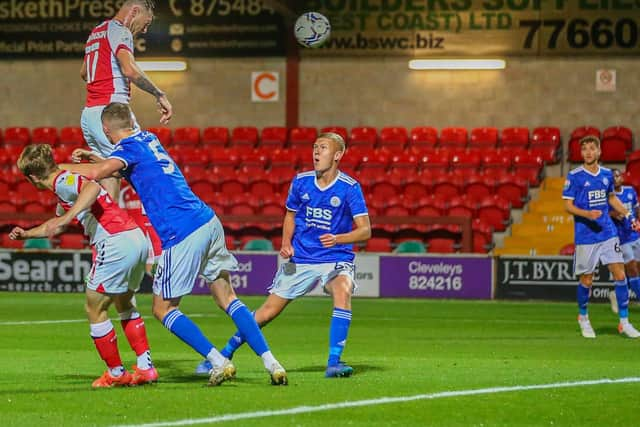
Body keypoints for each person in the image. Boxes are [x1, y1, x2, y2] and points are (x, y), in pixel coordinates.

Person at [52, 102, 287, 386]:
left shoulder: (126, 150)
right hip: (207, 220)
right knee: (228, 298)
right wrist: (95, 157)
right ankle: (272, 363)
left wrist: (56, 169)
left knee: (163, 309)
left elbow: (101, 171)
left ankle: (218, 360)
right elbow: (121, 168)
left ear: (104, 129)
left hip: (182, 231)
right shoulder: (149, 138)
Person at [198, 132, 371, 378]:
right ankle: (225, 353)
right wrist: (286, 242)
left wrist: (339, 238)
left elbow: (365, 230)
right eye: (314, 147)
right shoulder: (300, 182)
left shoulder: (349, 188)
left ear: (338, 155)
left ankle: (334, 362)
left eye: (323, 148)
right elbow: (290, 215)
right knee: (268, 312)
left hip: (335, 257)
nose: (316, 152)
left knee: (342, 290)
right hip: (301, 258)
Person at [10, 144, 157, 388]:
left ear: (33, 177)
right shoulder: (63, 188)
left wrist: (69, 216)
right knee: (124, 303)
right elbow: (54, 224)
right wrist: (26, 234)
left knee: (94, 308)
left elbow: (91, 187)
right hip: (135, 237)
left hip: (115, 241)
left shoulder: (63, 181)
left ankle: (116, 372)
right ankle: (145, 367)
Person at [81, 0, 172, 200]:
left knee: (109, 176)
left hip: (89, 115)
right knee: (147, 165)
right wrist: (159, 94)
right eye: (146, 23)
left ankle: (107, 230)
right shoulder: (121, 30)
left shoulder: (96, 32)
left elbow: (84, 72)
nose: (145, 30)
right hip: (112, 113)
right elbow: (129, 70)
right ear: (135, 11)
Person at [562, 136, 640, 338]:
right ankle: (583, 317)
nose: (588, 152)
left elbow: (611, 198)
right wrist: (587, 214)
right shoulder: (574, 176)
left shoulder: (606, 175)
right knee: (587, 280)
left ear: (599, 152)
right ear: (582, 154)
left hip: (608, 233)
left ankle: (624, 322)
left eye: (592, 149)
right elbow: (567, 205)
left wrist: (630, 216)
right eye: (585, 149)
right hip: (586, 236)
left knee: (620, 274)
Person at [608, 169, 640, 312]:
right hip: (622, 238)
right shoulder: (609, 197)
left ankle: (617, 294)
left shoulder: (630, 191)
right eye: (613, 177)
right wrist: (612, 214)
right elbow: (604, 215)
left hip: (635, 235)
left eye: (618, 175)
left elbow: (637, 209)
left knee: (637, 269)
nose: (616, 178)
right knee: (632, 269)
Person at [119, 179, 162, 276]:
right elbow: (121, 214)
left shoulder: (148, 190)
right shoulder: (124, 192)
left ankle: (159, 284)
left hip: (150, 230)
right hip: (134, 233)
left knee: (153, 262)